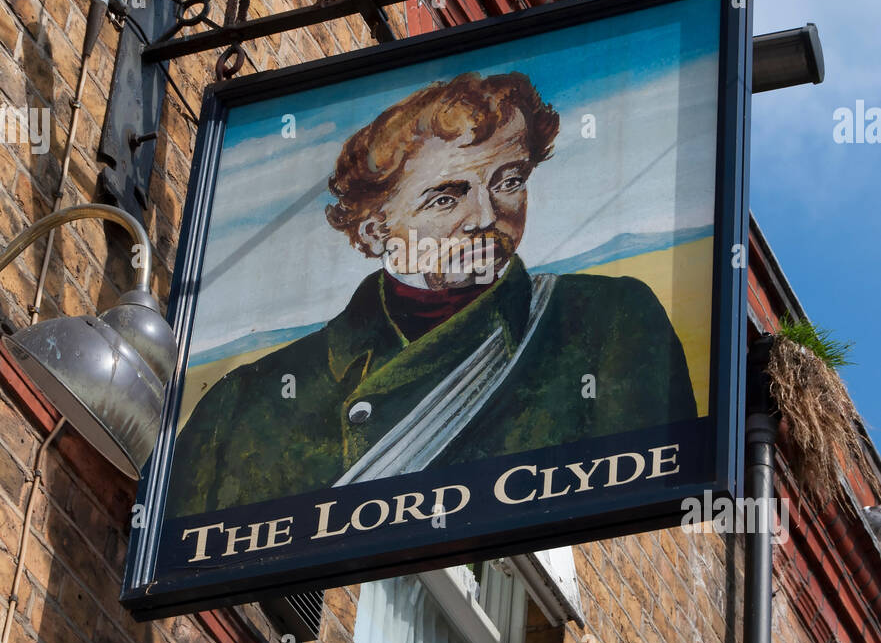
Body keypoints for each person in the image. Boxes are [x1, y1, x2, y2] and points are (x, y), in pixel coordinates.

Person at [165, 70, 696, 516]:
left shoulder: (611, 324)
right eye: (446, 198)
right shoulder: (241, 406)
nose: (487, 217)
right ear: (376, 233)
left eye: (508, 181)